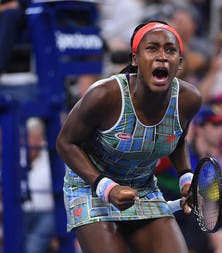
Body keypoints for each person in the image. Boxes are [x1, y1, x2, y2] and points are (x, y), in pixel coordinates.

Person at [56, 20, 202, 253]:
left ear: (179, 63)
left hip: (142, 187)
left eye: (170, 50)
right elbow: (65, 143)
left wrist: (185, 178)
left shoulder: (188, 99)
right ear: (135, 59)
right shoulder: (104, 95)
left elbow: (176, 137)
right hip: (90, 187)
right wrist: (106, 188)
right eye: (152, 48)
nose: (162, 56)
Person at [23, 117, 56, 253]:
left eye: (37, 138)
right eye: (29, 138)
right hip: (21, 213)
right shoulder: (15, 155)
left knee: (32, 249)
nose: (33, 143)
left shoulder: (51, 158)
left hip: (46, 213)